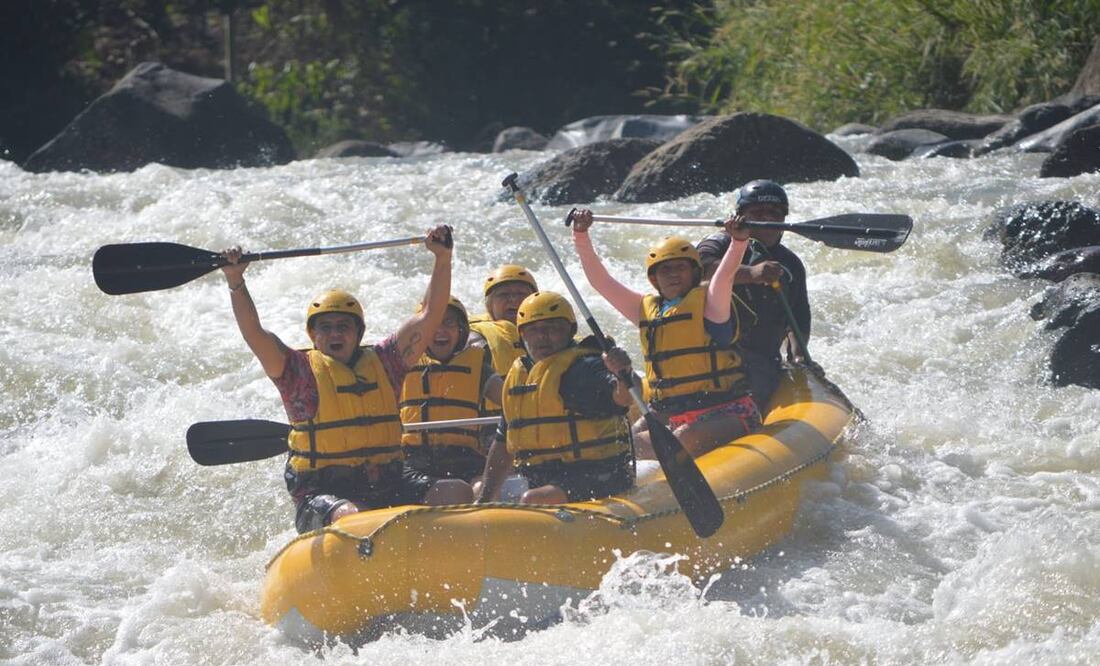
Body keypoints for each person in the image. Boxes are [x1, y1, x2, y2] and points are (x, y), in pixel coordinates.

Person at [219, 224, 472, 534]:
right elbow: (254, 333)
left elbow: (431, 316)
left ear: (358, 333)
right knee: (354, 515)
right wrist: (236, 281)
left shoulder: (387, 362)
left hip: (389, 480)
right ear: (313, 335)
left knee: (457, 492)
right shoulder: (296, 372)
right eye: (325, 327)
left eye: (344, 326)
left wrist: (442, 258)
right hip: (322, 493)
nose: (335, 333)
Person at [568, 209, 761, 459]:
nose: (673, 274)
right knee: (623, 445)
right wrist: (581, 235)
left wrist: (738, 242)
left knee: (680, 439)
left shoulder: (711, 303)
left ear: (694, 273)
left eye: (680, 267)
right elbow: (601, 282)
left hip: (728, 412)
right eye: (665, 270)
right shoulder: (645, 311)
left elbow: (724, 277)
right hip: (675, 415)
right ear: (654, 278)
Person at [476, 291, 636, 505]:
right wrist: (485, 499)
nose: (542, 336)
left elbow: (622, 398)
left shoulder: (584, 369)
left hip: (602, 475)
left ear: (570, 331)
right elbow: (503, 443)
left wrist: (623, 374)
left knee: (533, 499)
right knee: (479, 490)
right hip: (545, 480)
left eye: (552, 328)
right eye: (533, 330)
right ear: (522, 335)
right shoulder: (520, 379)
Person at [696, 179, 810, 412]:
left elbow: (798, 318)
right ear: (740, 216)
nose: (767, 218)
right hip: (715, 356)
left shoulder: (791, 263)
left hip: (762, 361)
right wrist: (752, 273)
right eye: (757, 212)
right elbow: (700, 269)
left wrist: (798, 357)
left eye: (774, 213)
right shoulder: (719, 243)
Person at [399, 296, 503, 482]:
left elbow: (510, 402)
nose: (440, 330)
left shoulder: (478, 368)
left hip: (465, 459)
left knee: (480, 485)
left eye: (449, 323)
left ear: (461, 330)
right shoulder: (400, 367)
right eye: (433, 324)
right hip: (414, 460)